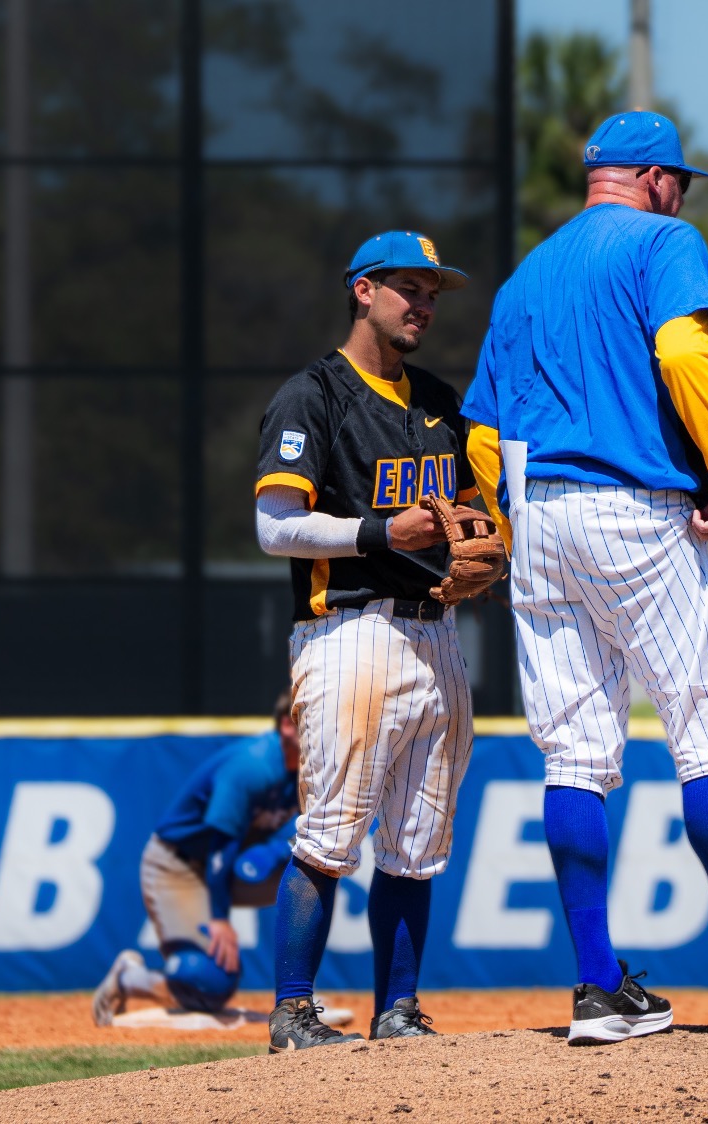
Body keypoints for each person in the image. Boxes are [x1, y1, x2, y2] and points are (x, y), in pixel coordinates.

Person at [463, 110, 708, 1044]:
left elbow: (481, 430)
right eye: (676, 177)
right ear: (651, 177)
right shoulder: (664, 239)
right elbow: (683, 352)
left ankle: (599, 988)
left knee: (574, 756)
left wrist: (516, 522)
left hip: (540, 518)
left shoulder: (524, 278)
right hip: (635, 507)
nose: (680, 191)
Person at [252, 230, 490, 1050]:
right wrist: (381, 533)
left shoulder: (439, 401)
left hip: (438, 636)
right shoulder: (312, 395)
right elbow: (273, 526)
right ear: (363, 290)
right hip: (350, 632)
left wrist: (482, 537)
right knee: (328, 834)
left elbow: (466, 514)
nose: (423, 302)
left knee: (418, 843)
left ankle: (398, 1009)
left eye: (432, 291)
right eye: (407, 287)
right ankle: (291, 1012)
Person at [91, 691, 302, 1025]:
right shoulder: (252, 767)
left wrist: (272, 853)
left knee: (313, 873)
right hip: (178, 866)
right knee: (208, 980)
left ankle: (298, 993)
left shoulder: (313, 767)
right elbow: (221, 845)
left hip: (230, 865)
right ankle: (129, 979)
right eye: (312, 717)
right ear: (287, 726)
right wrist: (219, 918)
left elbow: (312, 832)